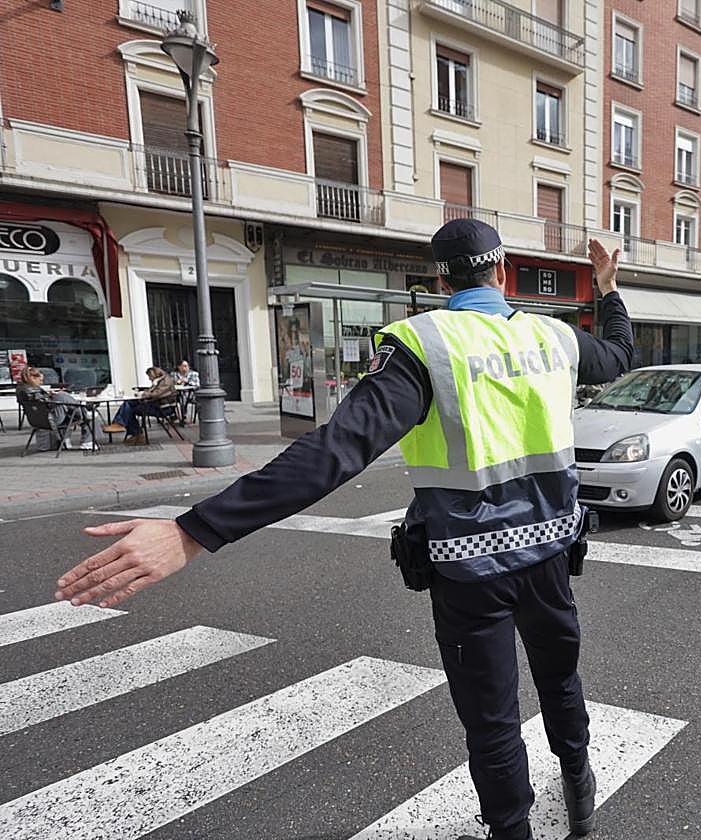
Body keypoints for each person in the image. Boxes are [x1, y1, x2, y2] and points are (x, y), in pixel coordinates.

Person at [55, 220, 635, 840]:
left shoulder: (425, 345)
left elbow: (336, 451)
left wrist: (195, 531)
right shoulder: (555, 337)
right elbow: (619, 354)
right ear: (503, 271)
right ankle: (579, 794)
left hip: (469, 571)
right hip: (550, 557)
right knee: (560, 682)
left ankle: (512, 830)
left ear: (440, 280)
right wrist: (606, 287)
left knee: (492, 724)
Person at [15, 366, 97, 451]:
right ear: (32, 378)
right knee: (62, 396)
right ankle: (86, 437)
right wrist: (53, 396)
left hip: (37, 421)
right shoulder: (32, 390)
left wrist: (49, 395)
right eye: (40, 380)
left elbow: (39, 402)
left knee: (63, 399)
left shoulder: (22, 389)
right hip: (51, 420)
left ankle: (83, 414)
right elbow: (44, 403)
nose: (41, 382)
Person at [102, 366, 177, 444]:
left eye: (149, 376)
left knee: (129, 409)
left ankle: (133, 432)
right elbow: (153, 392)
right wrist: (143, 393)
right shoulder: (159, 381)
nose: (149, 379)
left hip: (164, 408)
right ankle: (121, 425)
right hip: (157, 405)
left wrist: (143, 394)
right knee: (128, 403)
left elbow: (156, 394)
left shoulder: (165, 382)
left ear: (154, 374)